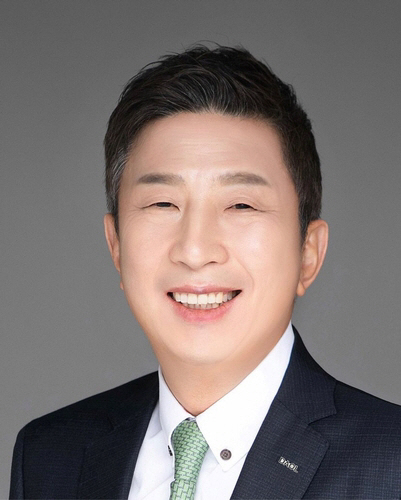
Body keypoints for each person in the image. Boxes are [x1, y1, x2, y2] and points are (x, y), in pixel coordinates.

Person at [9, 45, 401, 500]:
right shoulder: (50, 456)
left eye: (241, 205)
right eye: (162, 203)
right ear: (116, 245)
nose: (195, 251)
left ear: (308, 253)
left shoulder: (390, 463)